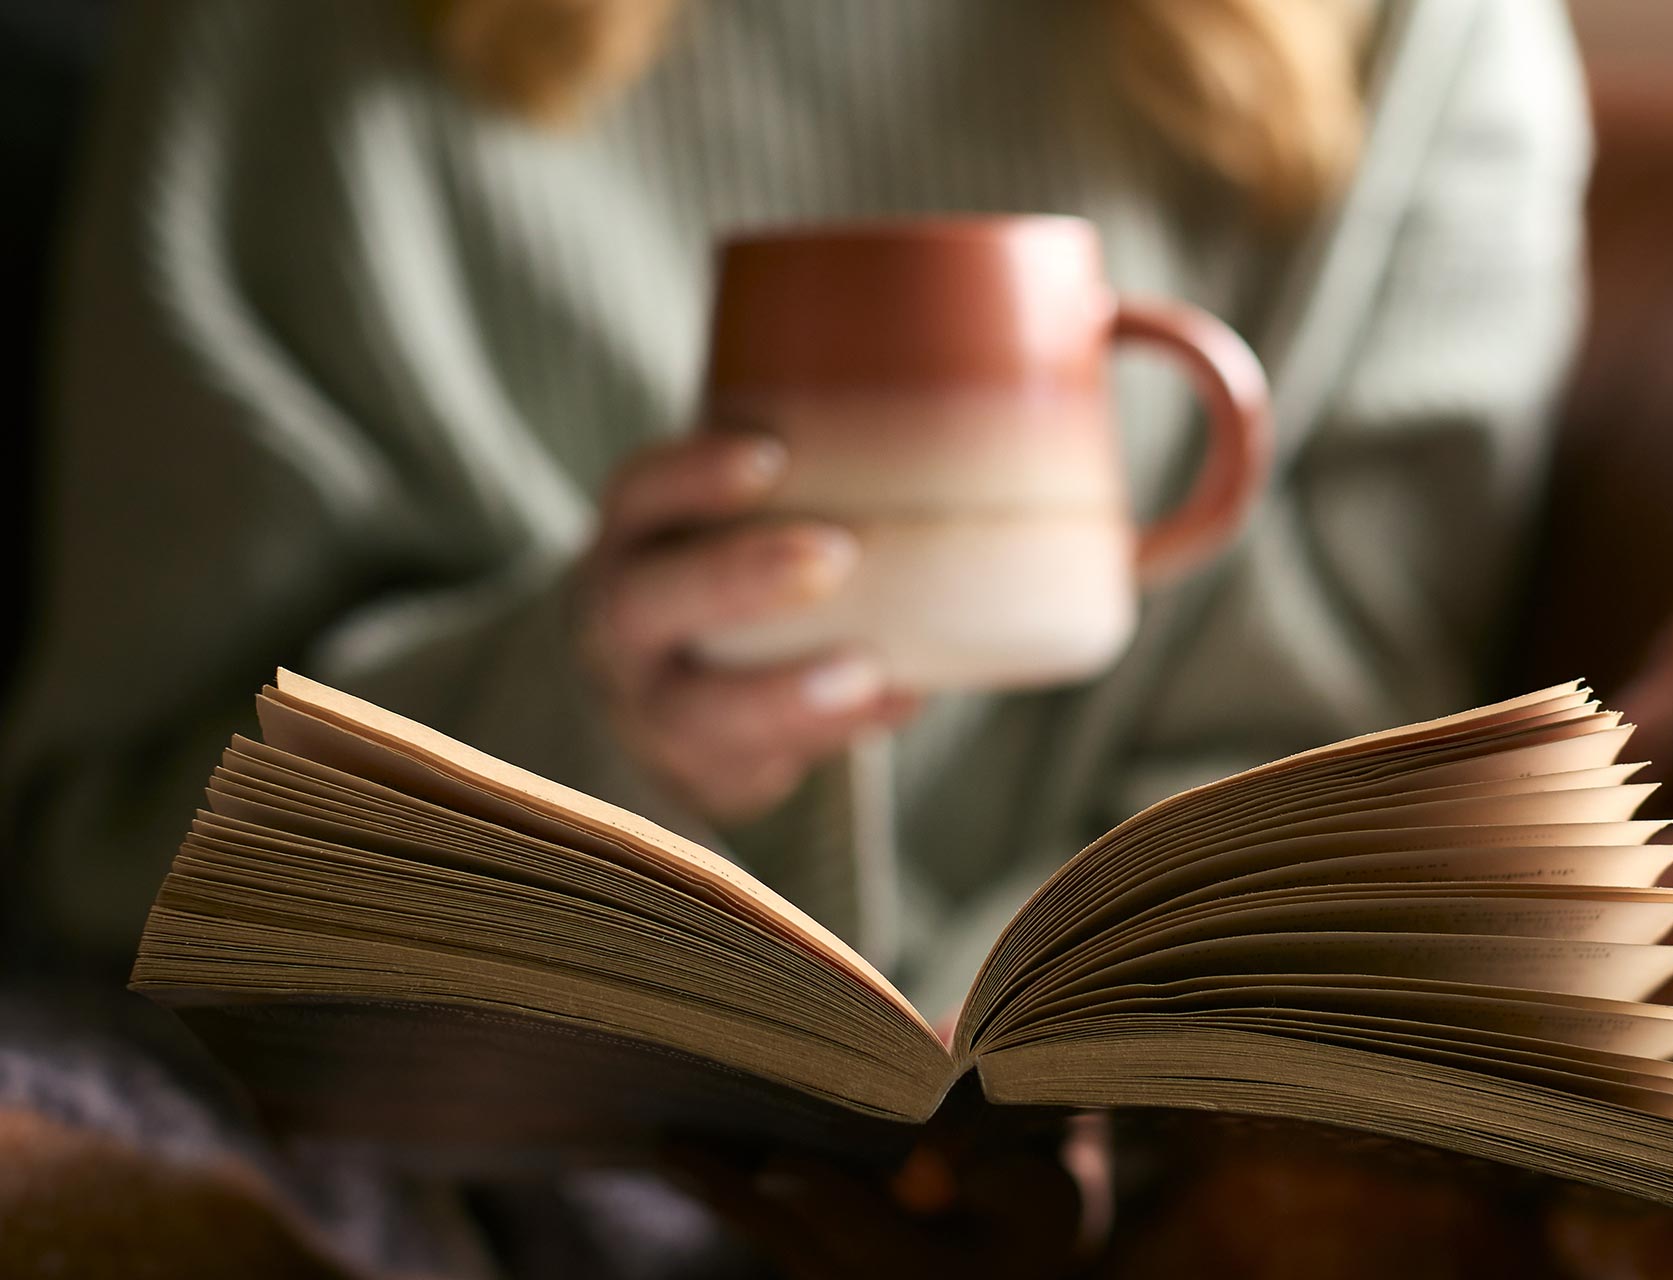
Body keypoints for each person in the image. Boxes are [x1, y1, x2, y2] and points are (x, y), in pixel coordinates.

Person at [0, 0, 1591, 1275]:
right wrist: (581, 722)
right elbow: (117, 835)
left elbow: (1341, 766)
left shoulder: (1422, 49)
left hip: (1103, 1131)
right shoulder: (288, 44)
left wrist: (1063, 1085)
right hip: (385, 1102)